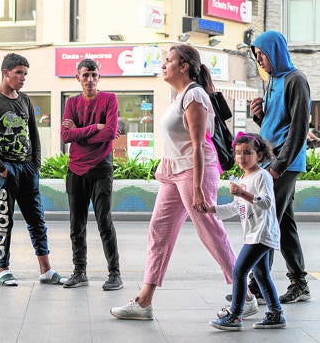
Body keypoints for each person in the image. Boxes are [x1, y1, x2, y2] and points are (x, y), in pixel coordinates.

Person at [110, 44, 258, 320]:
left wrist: (199, 187)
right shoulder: (179, 95)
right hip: (174, 173)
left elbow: (198, 144)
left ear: (184, 66)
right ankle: (144, 301)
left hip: (194, 172)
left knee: (210, 230)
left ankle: (245, 296)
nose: (163, 65)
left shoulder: (195, 95)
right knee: (159, 230)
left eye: (168, 60)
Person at [0, 53, 66, 286]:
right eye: (19, 73)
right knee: (4, 219)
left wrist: (35, 164)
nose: (23, 78)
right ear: (6, 73)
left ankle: (45, 270)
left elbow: (33, 134)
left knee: (37, 219)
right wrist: (1, 168)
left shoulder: (24, 100)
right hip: (5, 170)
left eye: (25, 73)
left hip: (27, 169)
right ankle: (3, 270)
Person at [249, 30, 311, 303]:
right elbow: (276, 124)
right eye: (257, 55)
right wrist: (259, 115)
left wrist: (277, 166)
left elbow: (298, 129)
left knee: (266, 220)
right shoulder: (274, 80)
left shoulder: (296, 80)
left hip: (284, 163)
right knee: (284, 223)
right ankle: (299, 283)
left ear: (276, 52)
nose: (259, 60)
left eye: (262, 54)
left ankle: (258, 286)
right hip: (270, 160)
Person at [207, 132, 286, 330]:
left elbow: (266, 203)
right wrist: (213, 209)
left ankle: (235, 315)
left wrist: (243, 193)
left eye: (248, 153)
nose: (242, 158)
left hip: (262, 233)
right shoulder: (243, 178)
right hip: (254, 233)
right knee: (261, 274)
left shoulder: (262, 176)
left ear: (259, 155)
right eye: (238, 153)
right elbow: (236, 207)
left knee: (239, 271)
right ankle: (276, 314)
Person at [60, 58, 123, 291]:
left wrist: (78, 132)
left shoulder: (109, 99)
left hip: (101, 169)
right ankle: (79, 271)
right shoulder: (72, 103)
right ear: (78, 78)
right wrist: (91, 128)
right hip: (75, 170)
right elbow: (65, 137)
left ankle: (114, 274)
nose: (89, 79)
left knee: (104, 222)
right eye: (85, 75)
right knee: (76, 225)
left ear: (99, 77)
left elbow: (109, 132)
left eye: (93, 75)